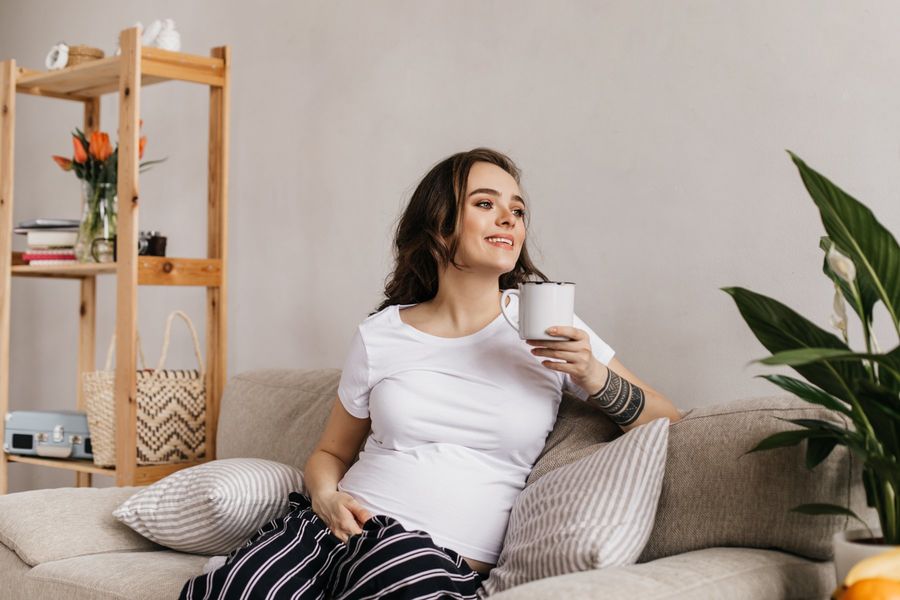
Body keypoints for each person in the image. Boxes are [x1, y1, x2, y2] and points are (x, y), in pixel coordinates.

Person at [180, 148, 681, 600]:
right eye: (485, 203)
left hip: (427, 559)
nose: (508, 217)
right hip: (330, 531)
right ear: (440, 226)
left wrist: (594, 376)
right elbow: (331, 453)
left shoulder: (549, 324)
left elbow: (667, 419)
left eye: (518, 210)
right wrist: (326, 498)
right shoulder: (381, 334)